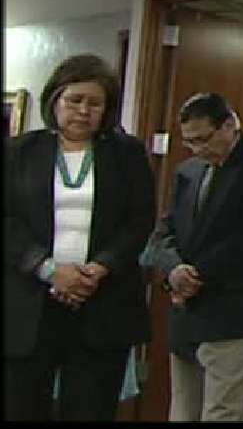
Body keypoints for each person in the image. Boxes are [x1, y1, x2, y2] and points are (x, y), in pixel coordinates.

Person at [3, 54, 155, 421]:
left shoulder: (128, 154)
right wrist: (48, 269)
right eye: (75, 100)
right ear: (55, 100)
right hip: (28, 306)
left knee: (90, 409)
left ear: (107, 110)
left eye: (95, 103)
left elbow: (140, 219)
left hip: (102, 304)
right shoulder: (19, 152)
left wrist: (101, 267)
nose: (83, 111)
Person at [142, 92, 243, 421]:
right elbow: (164, 232)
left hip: (229, 309)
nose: (197, 149)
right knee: (183, 411)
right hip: (184, 313)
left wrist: (194, 276)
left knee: (222, 412)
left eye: (203, 139)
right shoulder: (188, 171)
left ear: (229, 126)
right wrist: (175, 270)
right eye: (189, 141)